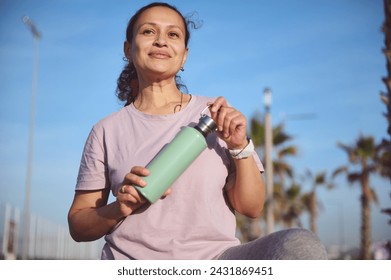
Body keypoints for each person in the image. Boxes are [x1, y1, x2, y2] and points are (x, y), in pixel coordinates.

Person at [68, 2, 327, 260]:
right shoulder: (106, 130)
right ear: (128, 49)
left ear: (184, 56)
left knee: (299, 246)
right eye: (148, 32)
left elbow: (252, 207)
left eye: (173, 34)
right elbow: (78, 225)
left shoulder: (214, 114)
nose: (161, 41)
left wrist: (239, 146)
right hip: (133, 263)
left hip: (215, 261)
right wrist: (119, 207)